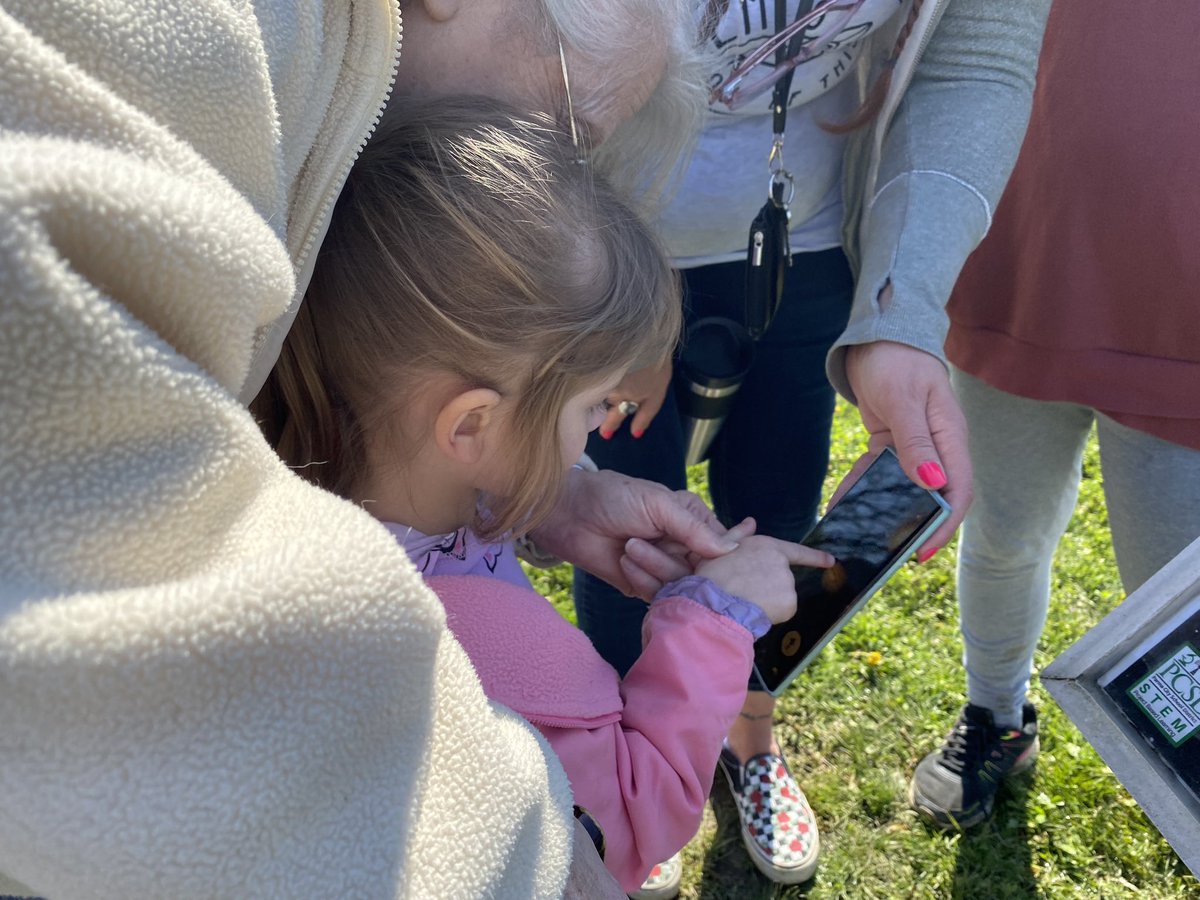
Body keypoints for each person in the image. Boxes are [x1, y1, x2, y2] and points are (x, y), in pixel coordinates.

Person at [0, 1, 728, 897]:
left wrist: (544, 489)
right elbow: (81, 600)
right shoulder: (180, 50)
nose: (545, 173)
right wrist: (530, 861)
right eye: (569, 132)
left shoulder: (305, 158)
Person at [256, 96, 836, 891]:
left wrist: (541, 506)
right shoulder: (470, 655)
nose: (600, 426)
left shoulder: (307, 500)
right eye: (593, 405)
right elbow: (634, 822)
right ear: (470, 426)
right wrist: (713, 619)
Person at [572, 0, 1052, 891]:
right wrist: (597, 267)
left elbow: (975, 60)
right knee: (625, 536)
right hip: (601, 237)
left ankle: (750, 744)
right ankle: (626, 760)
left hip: (806, 242)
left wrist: (902, 313)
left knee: (780, 513)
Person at [908, 0, 1200, 831]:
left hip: (1182, 315)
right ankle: (996, 715)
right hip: (1022, 271)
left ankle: (1185, 779)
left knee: (1174, 612)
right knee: (1002, 536)